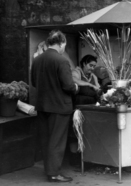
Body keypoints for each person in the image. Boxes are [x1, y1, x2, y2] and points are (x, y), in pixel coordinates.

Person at [31, 30, 78, 182]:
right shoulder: (61, 60)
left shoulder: (37, 60)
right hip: (59, 106)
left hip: (42, 105)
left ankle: (49, 170)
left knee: (46, 140)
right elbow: (68, 86)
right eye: (64, 44)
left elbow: (33, 82)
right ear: (60, 43)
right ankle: (54, 173)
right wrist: (76, 87)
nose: (64, 48)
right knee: (57, 141)